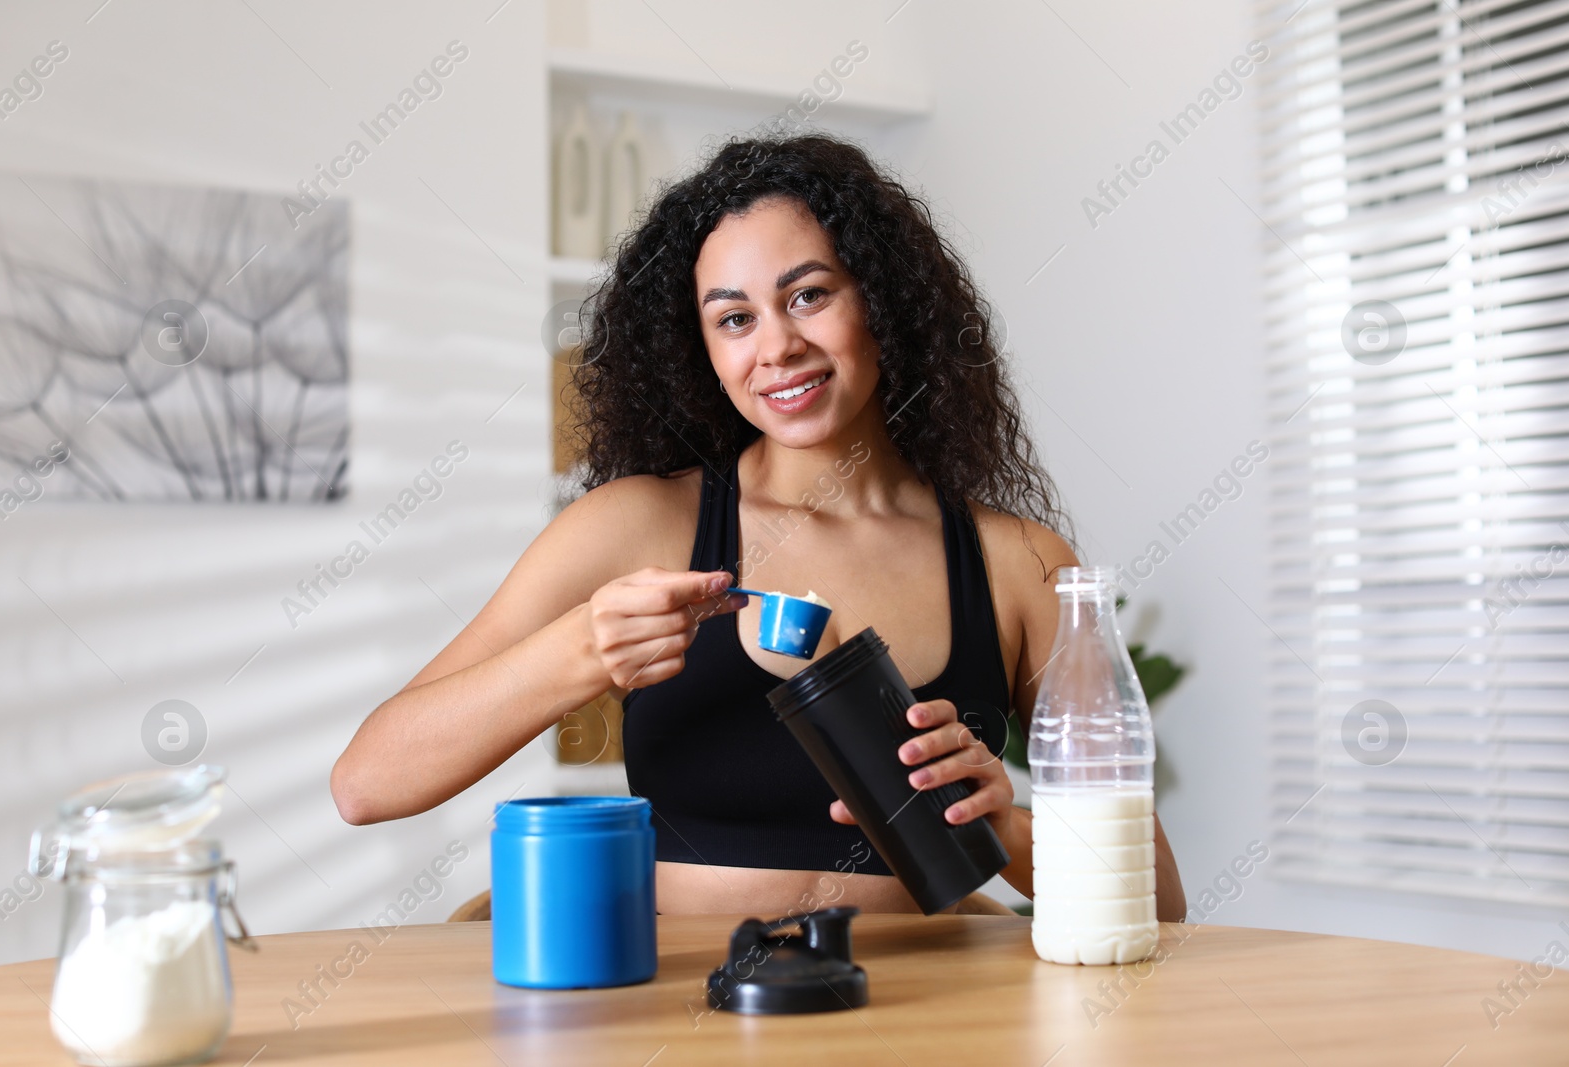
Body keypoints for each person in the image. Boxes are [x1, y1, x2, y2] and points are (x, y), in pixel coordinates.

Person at [331, 133, 1185, 919]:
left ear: (882, 302)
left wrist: (1008, 825)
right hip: (674, 1013)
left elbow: (1161, 899)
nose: (775, 346)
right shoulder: (637, 525)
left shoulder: (1019, 563)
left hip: (937, 1018)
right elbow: (367, 782)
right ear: (700, 348)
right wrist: (582, 650)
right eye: (735, 317)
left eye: (808, 295)